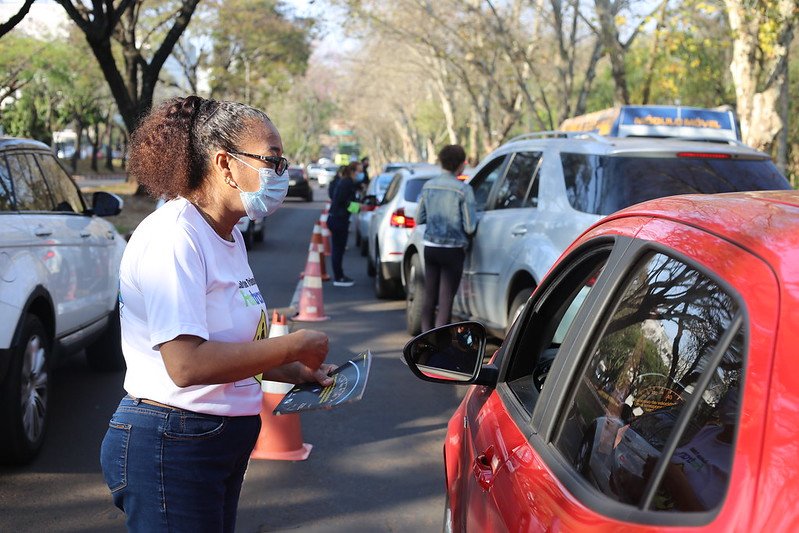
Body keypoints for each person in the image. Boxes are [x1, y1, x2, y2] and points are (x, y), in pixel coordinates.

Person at [99, 96, 334, 532]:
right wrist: (292, 343)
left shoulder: (227, 234)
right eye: (273, 161)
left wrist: (292, 368)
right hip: (172, 442)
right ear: (226, 164)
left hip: (210, 442)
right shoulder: (176, 236)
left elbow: (228, 345)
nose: (281, 174)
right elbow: (186, 365)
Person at [416, 145, 477, 331]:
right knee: (445, 301)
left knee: (429, 297)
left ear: (441, 161)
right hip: (453, 251)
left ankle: (423, 342)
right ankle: (438, 347)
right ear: (460, 165)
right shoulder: (463, 190)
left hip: (430, 248)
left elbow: (420, 218)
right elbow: (470, 226)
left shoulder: (428, 186)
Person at [327, 161, 359, 286]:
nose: (360, 174)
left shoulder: (346, 182)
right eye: (359, 171)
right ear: (352, 171)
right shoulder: (347, 183)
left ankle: (339, 275)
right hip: (338, 220)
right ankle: (339, 277)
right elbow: (342, 202)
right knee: (338, 250)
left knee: (338, 249)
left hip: (338, 219)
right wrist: (358, 208)